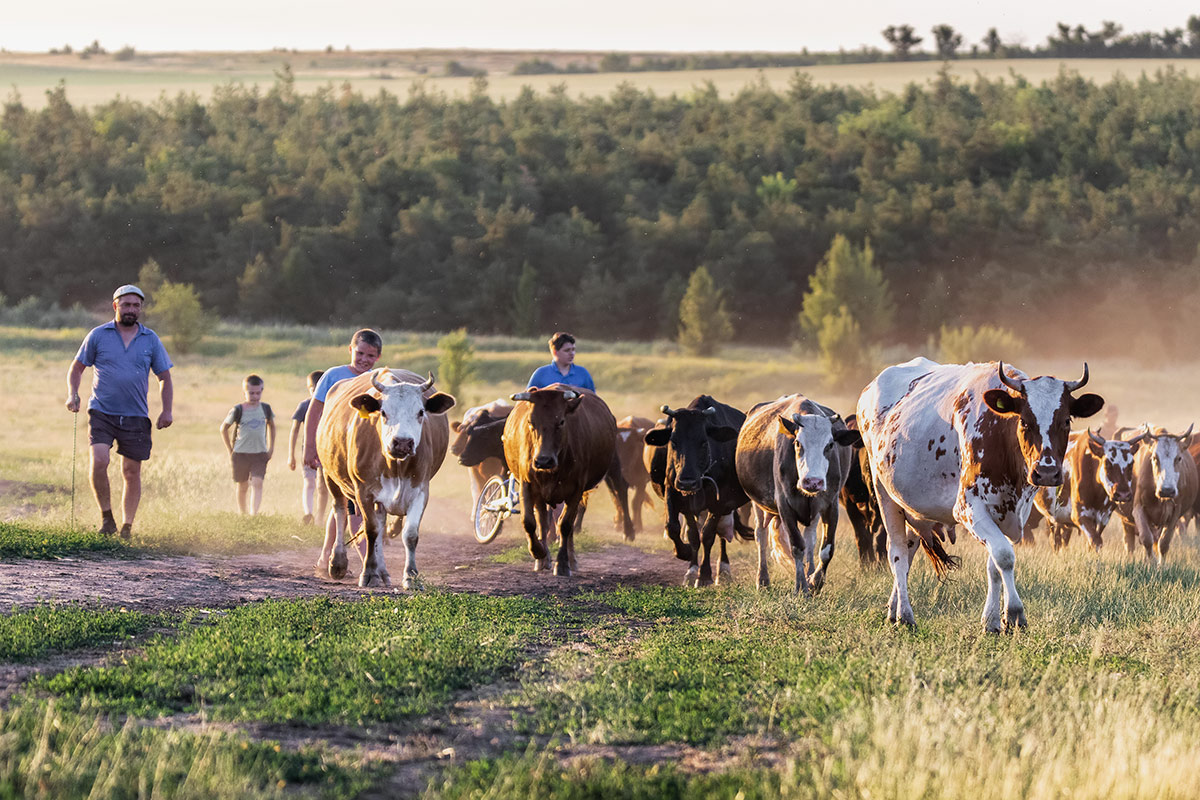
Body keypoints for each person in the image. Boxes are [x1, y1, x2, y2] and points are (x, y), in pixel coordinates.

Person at [65, 284, 173, 540]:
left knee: (131, 471)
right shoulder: (98, 335)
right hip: (102, 411)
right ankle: (106, 518)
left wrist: (167, 411)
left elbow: (164, 377)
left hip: (136, 415)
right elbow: (77, 368)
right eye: (126, 305)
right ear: (115, 306)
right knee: (100, 461)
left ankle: (127, 527)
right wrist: (73, 393)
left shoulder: (151, 339)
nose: (131, 310)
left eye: (136, 305)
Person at [304, 329, 383, 573]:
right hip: (336, 452)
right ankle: (367, 560)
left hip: (363, 455)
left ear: (378, 357)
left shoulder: (377, 381)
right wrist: (310, 448)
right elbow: (315, 411)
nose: (364, 360)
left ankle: (326, 555)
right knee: (354, 506)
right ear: (350, 350)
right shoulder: (333, 376)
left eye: (370, 355)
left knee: (342, 504)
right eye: (360, 353)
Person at [220, 374, 276, 515]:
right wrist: (230, 450)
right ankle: (242, 513)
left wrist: (271, 448)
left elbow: (272, 426)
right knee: (243, 485)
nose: (255, 396)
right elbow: (223, 428)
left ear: (262, 391)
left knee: (258, 482)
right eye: (251, 393)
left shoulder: (265, 409)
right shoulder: (238, 410)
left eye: (258, 393)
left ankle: (254, 514)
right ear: (244, 392)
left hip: (260, 453)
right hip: (241, 454)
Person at [287, 370, 329, 525]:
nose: (316, 392)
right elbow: (295, 430)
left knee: (323, 487)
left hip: (326, 453)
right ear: (309, 388)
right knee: (309, 482)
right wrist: (291, 455)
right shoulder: (304, 406)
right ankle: (308, 513)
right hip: (309, 451)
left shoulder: (330, 405)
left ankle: (320, 516)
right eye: (313, 389)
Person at [526, 331, 596, 392]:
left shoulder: (583, 373)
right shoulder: (541, 374)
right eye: (567, 350)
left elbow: (593, 400)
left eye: (573, 349)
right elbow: (527, 400)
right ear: (555, 352)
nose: (572, 353)